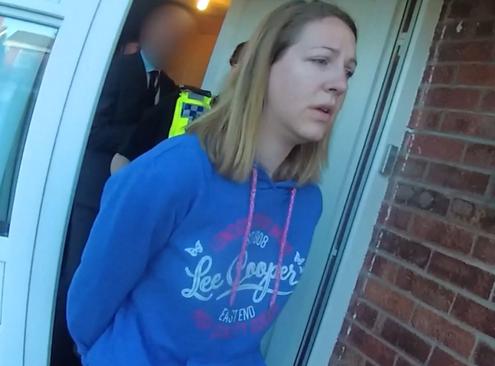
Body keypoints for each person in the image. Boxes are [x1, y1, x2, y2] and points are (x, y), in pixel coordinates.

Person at [66, 1, 357, 365]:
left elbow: (243, 330)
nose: (339, 84)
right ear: (264, 66)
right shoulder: (175, 171)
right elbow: (88, 309)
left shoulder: (307, 204)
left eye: (349, 71)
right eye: (320, 60)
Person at [50, 2, 196, 365]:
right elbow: (92, 130)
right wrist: (141, 137)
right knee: (77, 276)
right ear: (150, 31)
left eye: (181, 37)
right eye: (169, 32)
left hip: (131, 201)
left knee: (111, 277)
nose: (173, 41)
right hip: (93, 192)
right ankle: (58, 353)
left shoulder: (170, 88)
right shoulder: (116, 69)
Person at [110, 41, 248, 174]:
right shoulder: (184, 102)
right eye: (248, 67)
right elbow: (123, 156)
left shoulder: (258, 137)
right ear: (234, 65)